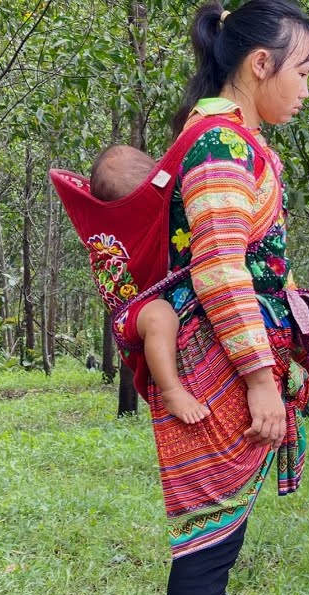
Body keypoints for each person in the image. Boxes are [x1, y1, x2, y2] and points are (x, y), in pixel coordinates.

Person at [123, 3, 309, 595]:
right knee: (206, 537)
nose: (306, 89)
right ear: (260, 64)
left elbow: (267, 274)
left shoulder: (236, 143)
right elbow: (221, 272)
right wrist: (263, 378)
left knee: (217, 535)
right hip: (219, 374)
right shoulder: (220, 148)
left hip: (232, 363)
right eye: (303, 72)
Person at [89, 145, 210, 424]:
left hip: (154, 301)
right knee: (160, 316)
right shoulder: (114, 233)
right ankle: (171, 390)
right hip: (134, 312)